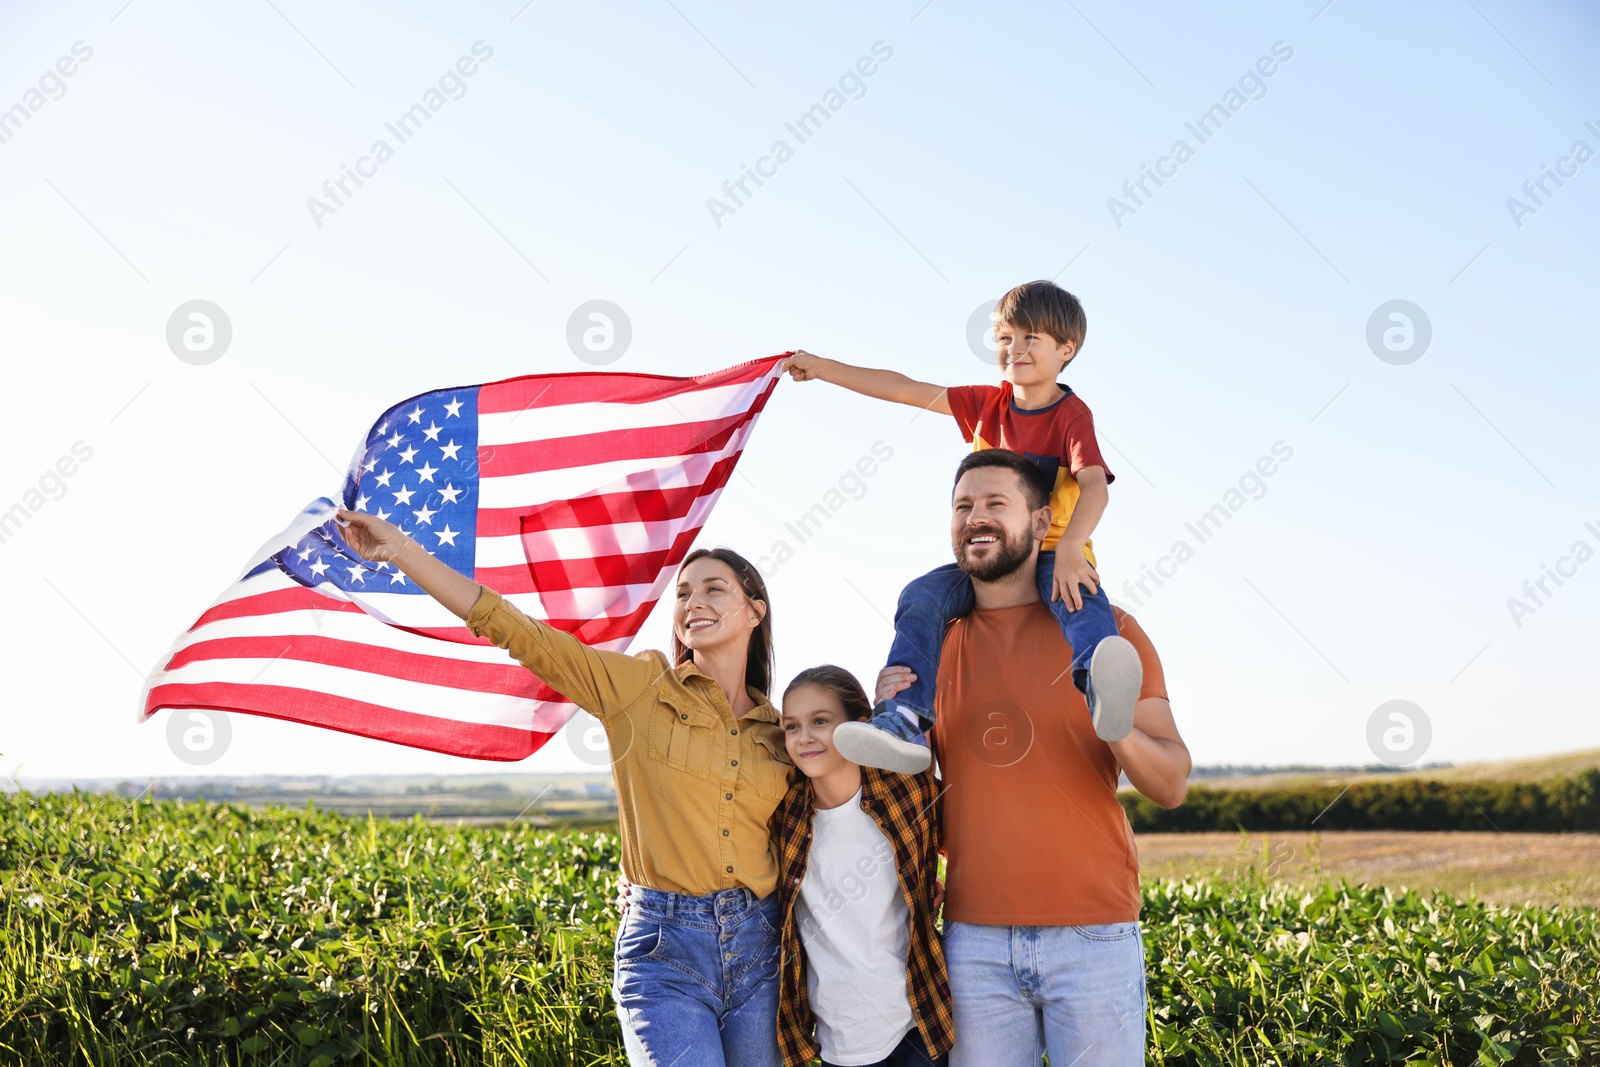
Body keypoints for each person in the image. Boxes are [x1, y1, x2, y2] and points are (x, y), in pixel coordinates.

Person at [335, 508, 791, 1067]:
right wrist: (401, 549)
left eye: (714, 589)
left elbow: (824, 828)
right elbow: (516, 630)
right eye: (684, 593)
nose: (693, 602)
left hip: (761, 953)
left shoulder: (782, 731)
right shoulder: (640, 685)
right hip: (665, 954)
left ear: (755, 612)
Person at [876, 449, 1190, 1066]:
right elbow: (905, 799)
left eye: (996, 503)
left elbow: (1172, 783)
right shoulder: (930, 649)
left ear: (1043, 519)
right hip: (973, 939)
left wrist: (1116, 727)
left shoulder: (1109, 635)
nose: (976, 517)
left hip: (1094, 935)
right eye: (963, 506)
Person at [783, 279, 1141, 777]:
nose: (1014, 350)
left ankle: (1102, 691)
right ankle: (904, 717)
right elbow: (903, 387)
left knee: (1079, 597)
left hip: (1054, 548)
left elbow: (1096, 485)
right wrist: (821, 368)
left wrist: (1076, 546)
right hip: (989, 557)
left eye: (1030, 339)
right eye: (1005, 339)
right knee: (922, 596)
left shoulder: (1071, 415)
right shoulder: (986, 406)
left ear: (1066, 349)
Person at [771, 666, 952, 1067]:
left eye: (821, 721)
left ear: (860, 727)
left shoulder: (906, 793)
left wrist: (941, 891)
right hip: (839, 1041)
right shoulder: (784, 820)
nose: (804, 738)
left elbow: (968, 845)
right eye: (791, 726)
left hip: (919, 1025)